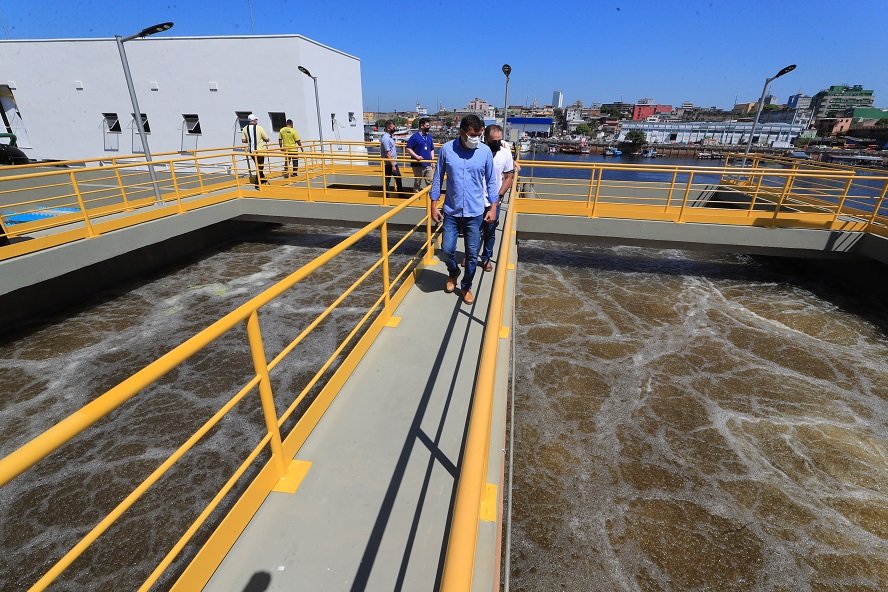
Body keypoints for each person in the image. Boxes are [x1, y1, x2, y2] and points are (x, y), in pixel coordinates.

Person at [430, 114, 498, 305]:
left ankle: (466, 286)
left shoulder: (485, 152)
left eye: (479, 134)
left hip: (475, 213)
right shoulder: (447, 150)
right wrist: (433, 205)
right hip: (451, 211)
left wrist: (493, 207)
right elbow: (437, 178)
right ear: (462, 132)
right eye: (472, 135)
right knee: (447, 250)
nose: (476, 138)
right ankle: (453, 272)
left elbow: (491, 181)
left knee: (472, 255)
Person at [479, 124, 515, 272]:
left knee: (490, 230)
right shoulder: (477, 151)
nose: (498, 143)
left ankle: (486, 257)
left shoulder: (505, 153)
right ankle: (470, 256)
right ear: (486, 139)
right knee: (473, 230)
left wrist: (499, 195)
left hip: (494, 200)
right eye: (494, 141)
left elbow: (508, 177)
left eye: (500, 140)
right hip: (476, 199)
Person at [405, 118, 435, 192]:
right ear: (421, 126)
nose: (428, 127)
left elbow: (432, 149)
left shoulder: (429, 137)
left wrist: (432, 160)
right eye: (427, 126)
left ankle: (432, 197)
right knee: (418, 182)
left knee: (431, 182)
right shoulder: (414, 137)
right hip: (418, 164)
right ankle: (416, 196)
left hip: (428, 164)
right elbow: (408, 148)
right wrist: (416, 156)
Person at [241, 114, 269, 186]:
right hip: (259, 151)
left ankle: (262, 179)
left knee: (258, 166)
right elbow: (267, 139)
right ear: (253, 120)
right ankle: (258, 182)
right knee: (260, 166)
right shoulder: (259, 128)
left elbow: (243, 140)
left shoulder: (245, 128)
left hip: (251, 151)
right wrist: (261, 139)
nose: (257, 121)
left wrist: (250, 140)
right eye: (256, 120)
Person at [380, 120, 404, 196]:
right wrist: (393, 165)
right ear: (388, 128)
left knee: (393, 178)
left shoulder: (390, 137)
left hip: (392, 162)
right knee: (392, 178)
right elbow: (388, 153)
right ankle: (388, 195)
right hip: (390, 163)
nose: (394, 129)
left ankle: (396, 194)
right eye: (393, 127)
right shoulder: (386, 138)